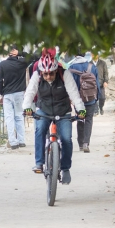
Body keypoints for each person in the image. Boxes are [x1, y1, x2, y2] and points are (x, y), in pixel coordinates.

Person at [22, 49, 86, 183]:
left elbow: (74, 94)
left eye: (51, 73)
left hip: (63, 110)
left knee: (66, 139)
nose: (48, 77)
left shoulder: (65, 74)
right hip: (44, 109)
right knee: (39, 130)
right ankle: (39, 163)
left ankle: (65, 168)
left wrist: (80, 110)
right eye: (45, 74)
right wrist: (26, 107)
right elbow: (30, 92)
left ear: (56, 70)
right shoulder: (37, 75)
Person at [0, 46, 30, 149]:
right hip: (19, 94)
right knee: (19, 116)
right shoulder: (22, 63)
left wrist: (2, 92)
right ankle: (21, 141)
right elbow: (34, 57)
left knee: (9, 118)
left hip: (7, 94)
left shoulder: (2, 64)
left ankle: (13, 142)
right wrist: (20, 53)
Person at [67, 52, 100, 152]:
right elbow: (97, 84)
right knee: (89, 120)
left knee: (80, 119)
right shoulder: (92, 66)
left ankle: (81, 144)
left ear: (75, 55)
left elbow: (70, 86)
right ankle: (86, 143)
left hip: (78, 100)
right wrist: (96, 98)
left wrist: (70, 99)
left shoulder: (71, 68)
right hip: (91, 98)